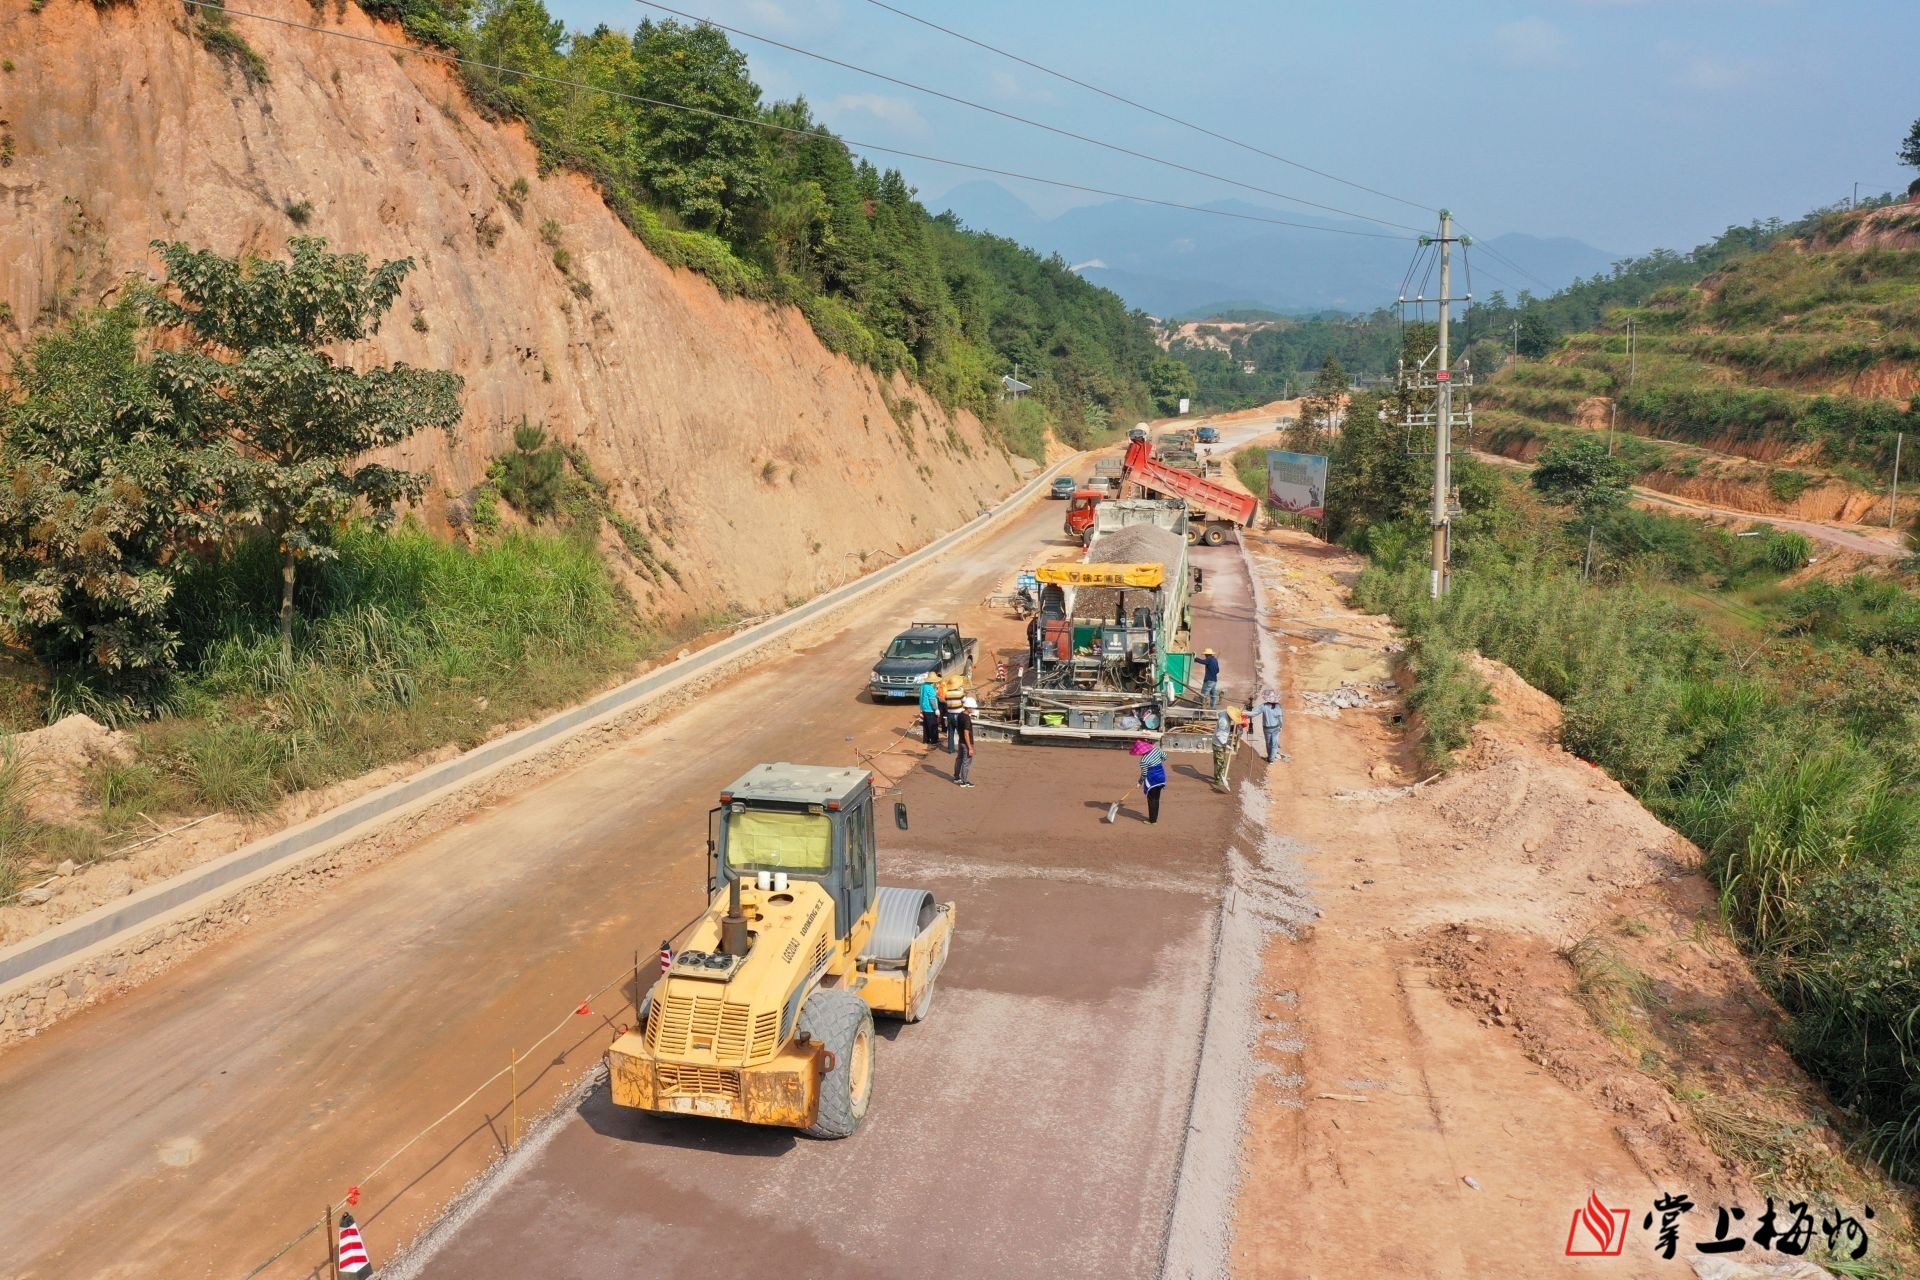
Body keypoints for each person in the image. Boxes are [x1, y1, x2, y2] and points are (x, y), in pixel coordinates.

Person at [1131, 738, 1168, 824]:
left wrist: (1139, 782)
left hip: (1152, 781)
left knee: (1151, 800)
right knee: (1156, 799)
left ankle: (1152, 821)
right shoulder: (1156, 749)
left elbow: (1144, 774)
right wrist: (1158, 762)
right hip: (1161, 777)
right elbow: (1165, 756)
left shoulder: (1143, 760)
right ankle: (1154, 819)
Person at [1211, 708, 1242, 793]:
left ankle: (1221, 776)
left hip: (1220, 743)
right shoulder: (1223, 722)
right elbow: (1219, 735)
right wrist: (1226, 744)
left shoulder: (1225, 714)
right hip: (1218, 744)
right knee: (1220, 762)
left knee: (1221, 761)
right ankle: (1219, 780)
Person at [952, 696, 977, 787]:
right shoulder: (966, 719)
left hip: (961, 741)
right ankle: (964, 781)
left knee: (959, 759)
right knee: (966, 762)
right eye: (973, 707)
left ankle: (956, 777)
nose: (974, 709)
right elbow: (966, 733)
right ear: (969, 707)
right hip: (966, 743)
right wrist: (970, 747)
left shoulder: (960, 715)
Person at [1255, 688, 1284, 764]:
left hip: (1267, 728)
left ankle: (1269, 757)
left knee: (1268, 743)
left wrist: (1245, 713)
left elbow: (1254, 713)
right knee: (1274, 744)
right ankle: (1271, 759)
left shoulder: (1263, 706)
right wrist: (1281, 726)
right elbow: (1280, 718)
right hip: (1276, 727)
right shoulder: (1278, 706)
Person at [941, 675, 968, 753]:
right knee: (961, 733)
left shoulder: (947, 693)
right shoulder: (960, 693)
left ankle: (950, 749)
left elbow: (945, 701)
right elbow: (964, 701)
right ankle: (961, 749)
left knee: (951, 732)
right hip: (958, 714)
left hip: (949, 714)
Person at [916, 673, 941, 747]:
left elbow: (921, 697)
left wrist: (921, 709)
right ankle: (934, 741)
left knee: (926, 725)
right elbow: (932, 699)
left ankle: (926, 740)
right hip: (930, 709)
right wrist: (936, 709)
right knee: (933, 725)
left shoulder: (923, 686)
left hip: (924, 708)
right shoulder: (930, 688)